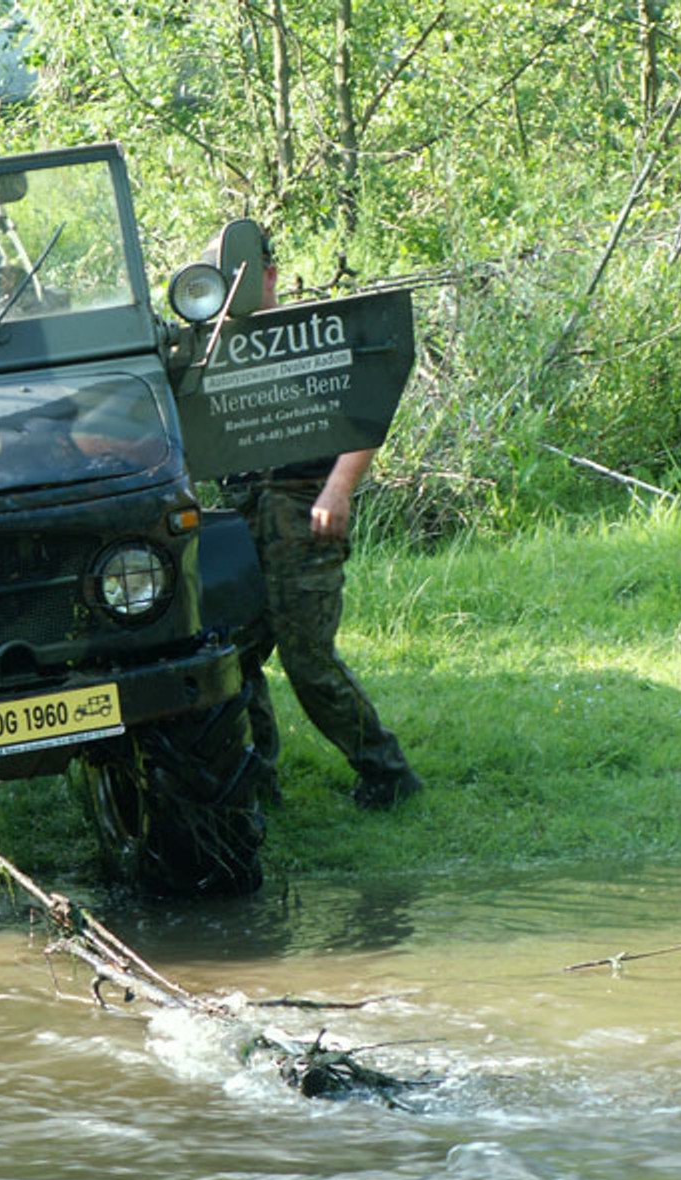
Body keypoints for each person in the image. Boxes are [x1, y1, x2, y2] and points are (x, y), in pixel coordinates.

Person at [221, 229, 422, 810]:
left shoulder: (312, 336)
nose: (233, 287)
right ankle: (258, 784)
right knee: (232, 658)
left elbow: (368, 409)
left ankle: (387, 772)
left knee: (306, 660)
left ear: (269, 274)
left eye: (242, 272)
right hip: (242, 514)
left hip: (302, 504)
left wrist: (339, 487)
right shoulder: (215, 348)